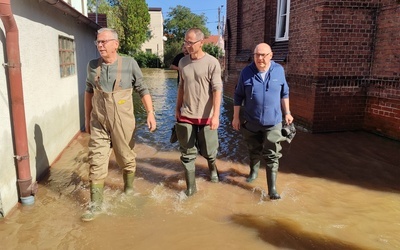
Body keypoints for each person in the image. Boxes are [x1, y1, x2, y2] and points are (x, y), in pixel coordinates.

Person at [81, 28, 157, 221]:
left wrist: (150, 113)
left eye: (104, 42)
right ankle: (95, 206)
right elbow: (88, 92)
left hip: (123, 121)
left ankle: (129, 189)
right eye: (98, 42)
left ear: (116, 44)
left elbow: (142, 88)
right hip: (99, 121)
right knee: (96, 160)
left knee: (126, 158)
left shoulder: (130, 64)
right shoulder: (92, 66)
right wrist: (86, 118)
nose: (100, 45)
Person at [232, 43, 294, 200]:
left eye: (263, 55)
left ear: (271, 55)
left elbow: (284, 92)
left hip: (273, 121)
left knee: (272, 154)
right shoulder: (246, 72)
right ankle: (253, 171)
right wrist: (235, 117)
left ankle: (272, 189)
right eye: (257, 55)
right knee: (253, 148)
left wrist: (287, 112)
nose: (260, 58)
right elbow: (238, 95)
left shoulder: (279, 71)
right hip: (251, 121)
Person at [175, 28, 223, 196]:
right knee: (187, 154)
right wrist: (177, 108)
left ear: (201, 43)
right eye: (185, 42)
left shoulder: (212, 63)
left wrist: (216, 115)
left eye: (190, 42)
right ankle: (191, 188)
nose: (187, 45)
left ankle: (213, 168)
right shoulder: (182, 62)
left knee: (209, 152)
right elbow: (181, 87)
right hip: (186, 114)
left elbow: (217, 89)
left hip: (206, 116)